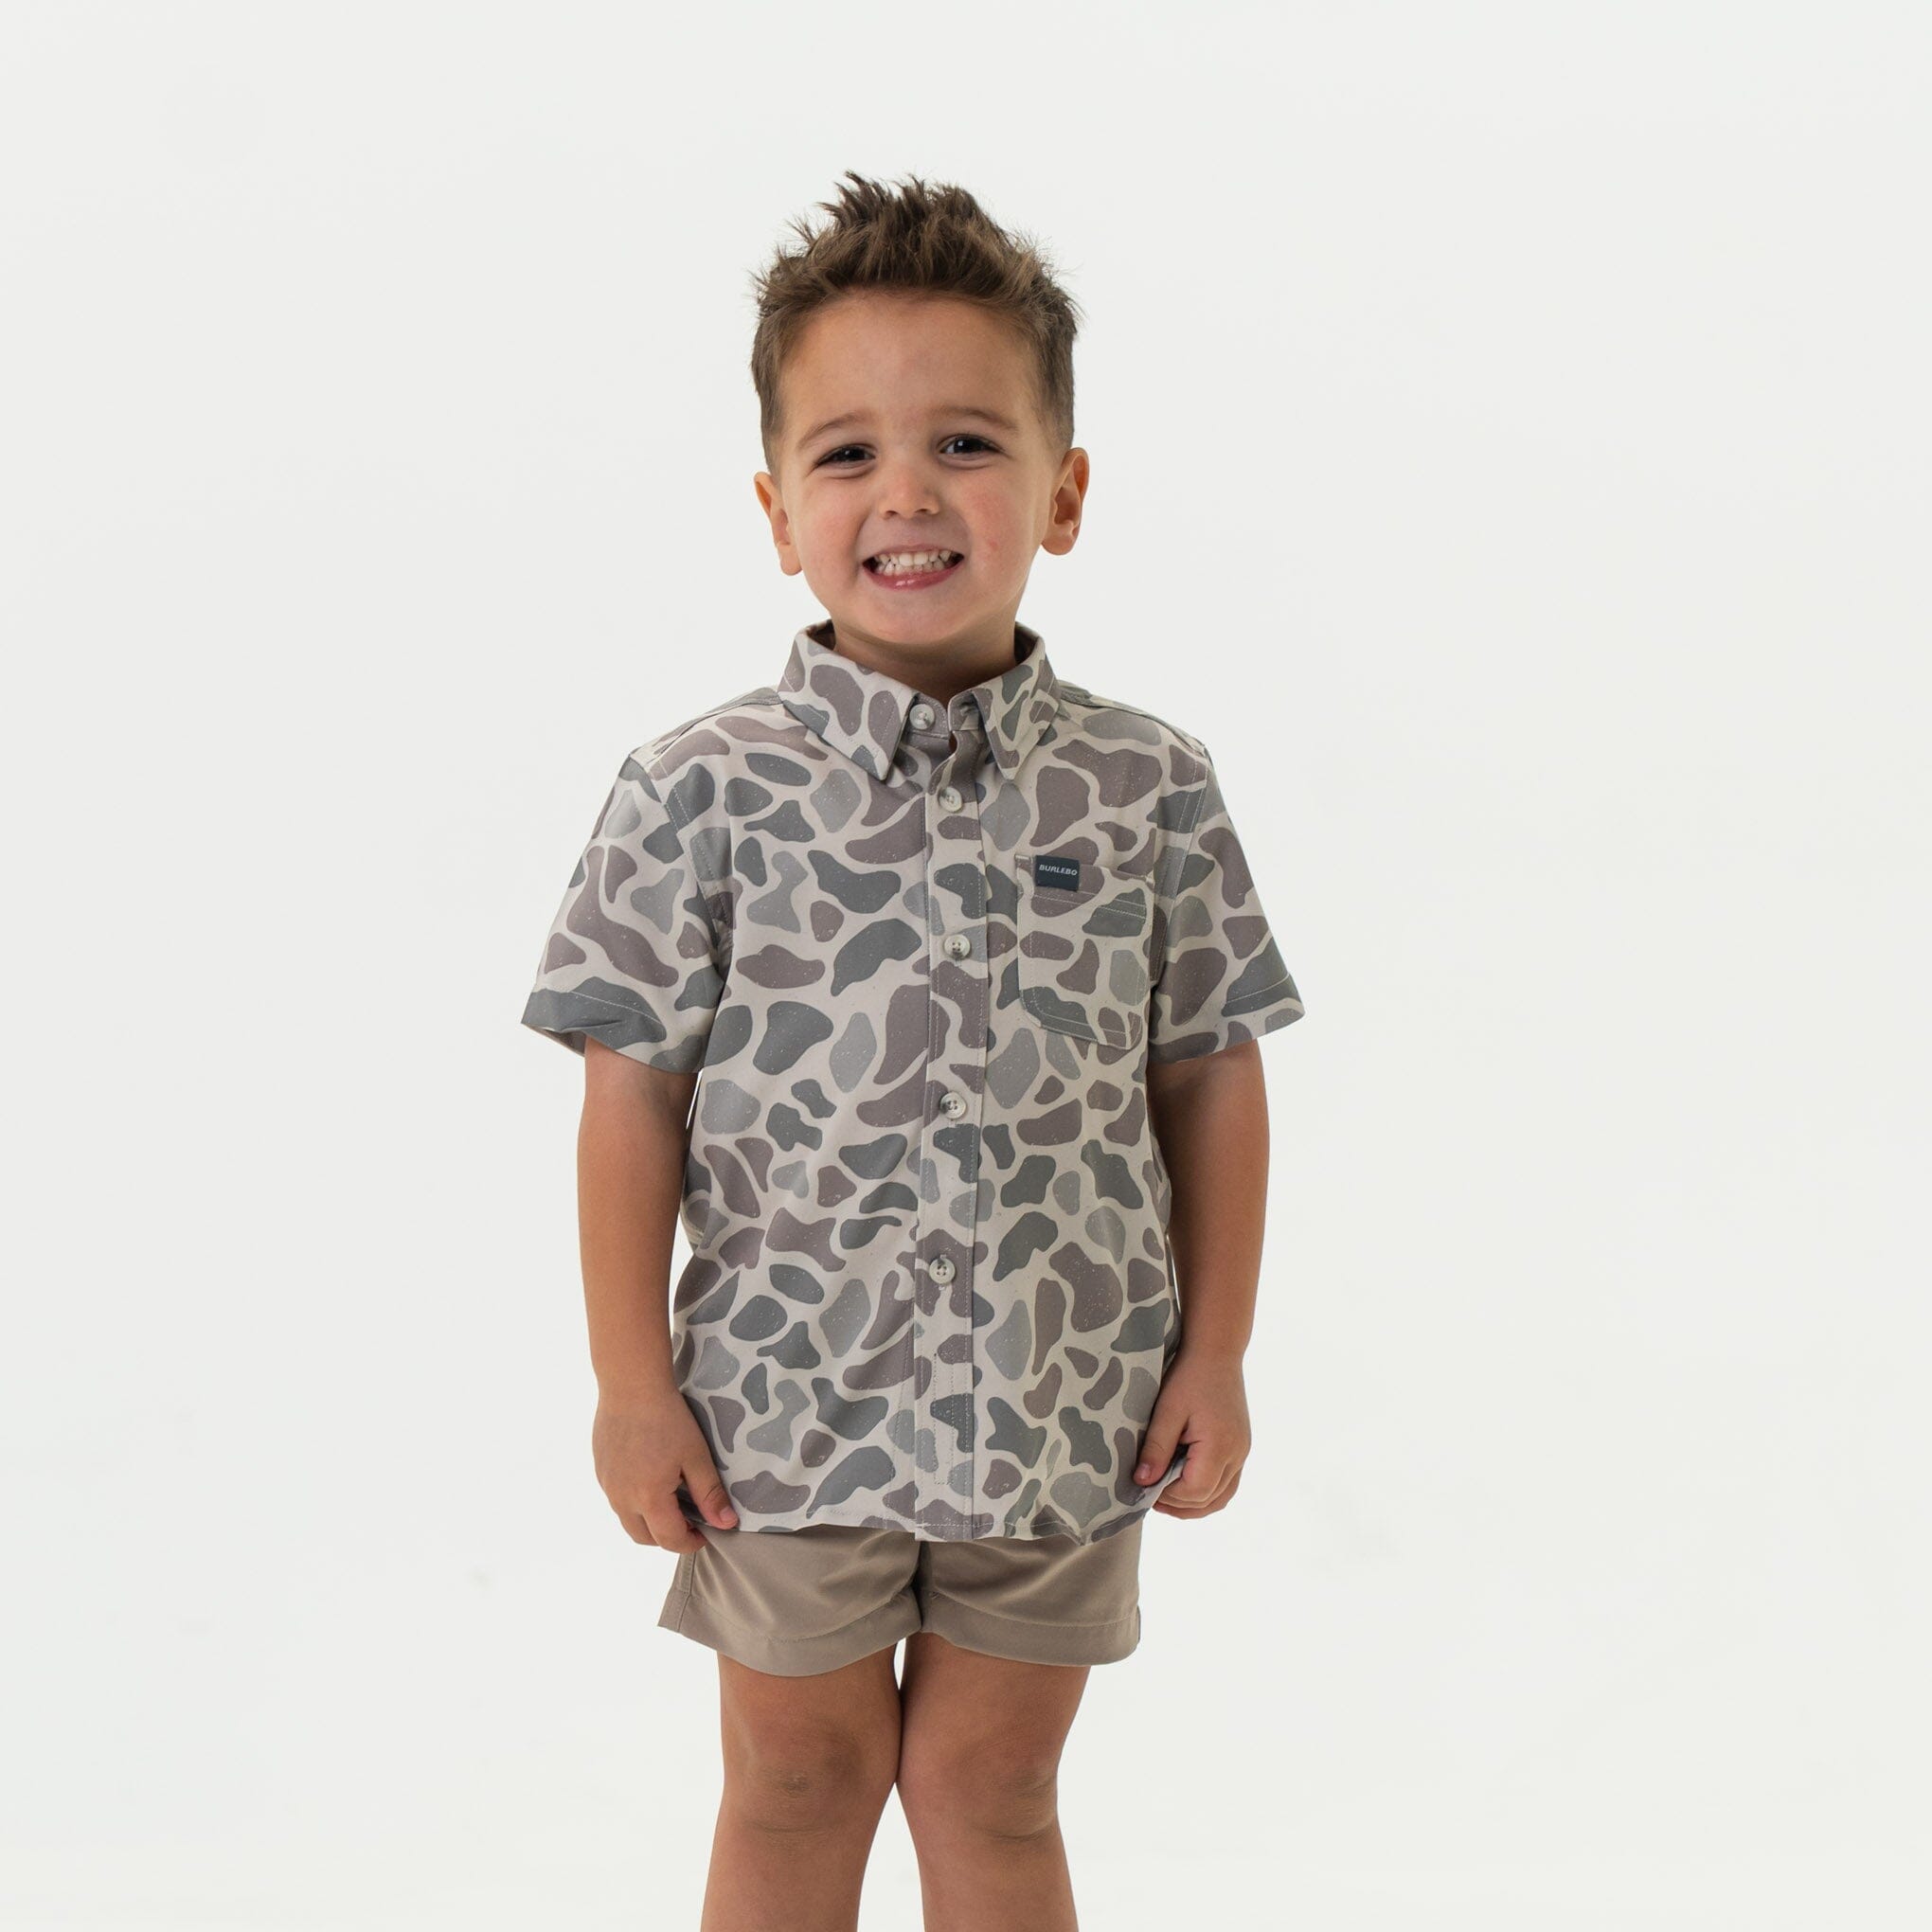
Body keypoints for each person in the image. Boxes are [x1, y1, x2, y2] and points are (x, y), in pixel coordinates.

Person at [519, 169, 1307, 1932]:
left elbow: (1210, 1071)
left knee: (994, 1791)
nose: (908, 494)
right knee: (796, 1785)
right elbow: (630, 1097)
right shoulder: (696, 792)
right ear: (775, 507)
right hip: (781, 1413)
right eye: (847, 452)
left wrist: (1218, 1351)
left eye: (965, 442)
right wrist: (633, 1385)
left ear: (1064, 490)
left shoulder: (1149, 786)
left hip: (1068, 1403)